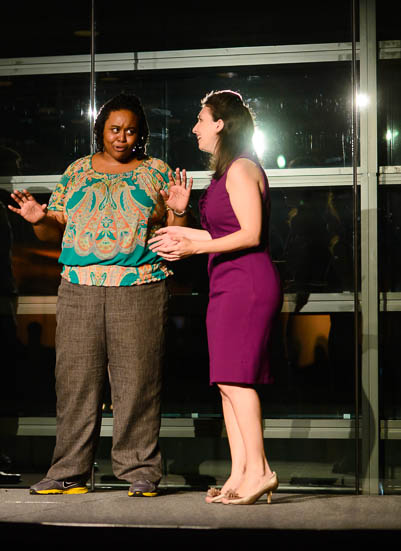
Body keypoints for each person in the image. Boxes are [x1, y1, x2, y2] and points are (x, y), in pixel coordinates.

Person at [9, 94, 191, 496]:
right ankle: (69, 471)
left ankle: (140, 470)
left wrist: (179, 210)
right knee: (75, 381)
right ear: (100, 131)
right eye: (114, 129)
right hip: (79, 289)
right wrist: (39, 219)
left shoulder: (157, 172)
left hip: (140, 287)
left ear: (140, 133)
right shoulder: (76, 172)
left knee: (138, 382)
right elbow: (53, 228)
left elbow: (176, 230)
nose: (122, 137)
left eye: (129, 130)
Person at [149, 90, 281, 505]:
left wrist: (191, 248)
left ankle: (260, 471)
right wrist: (183, 230)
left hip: (247, 282)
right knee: (227, 382)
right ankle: (240, 474)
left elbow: (251, 234)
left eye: (201, 119)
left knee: (238, 380)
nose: (195, 128)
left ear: (221, 123)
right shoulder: (227, 173)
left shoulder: (242, 168)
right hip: (227, 281)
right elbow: (223, 235)